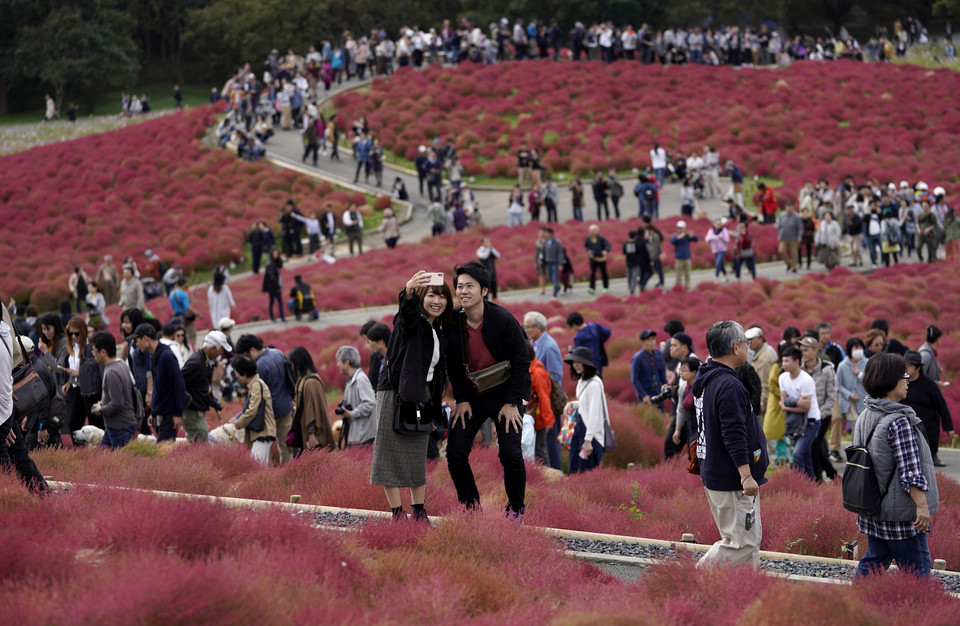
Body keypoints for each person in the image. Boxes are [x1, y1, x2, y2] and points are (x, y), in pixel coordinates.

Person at [446, 261, 531, 516]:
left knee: (511, 453)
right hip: (471, 397)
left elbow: (521, 360)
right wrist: (460, 399)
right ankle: (471, 507)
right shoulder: (453, 322)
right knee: (455, 452)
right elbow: (452, 364)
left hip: (507, 394)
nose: (463, 291)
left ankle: (515, 508)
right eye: (459, 286)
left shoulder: (503, 318)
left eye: (469, 286)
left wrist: (512, 402)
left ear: (484, 290)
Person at [371, 271, 452, 522]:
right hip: (395, 393)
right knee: (389, 454)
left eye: (442, 296)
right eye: (431, 295)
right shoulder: (413, 320)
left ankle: (419, 511)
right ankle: (397, 514)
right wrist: (407, 292)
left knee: (418, 450)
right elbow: (405, 315)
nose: (437, 301)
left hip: (422, 395)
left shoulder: (438, 330)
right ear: (420, 297)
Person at [853, 353, 939, 579]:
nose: (907, 380)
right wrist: (921, 506)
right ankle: (917, 611)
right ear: (890, 382)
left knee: (874, 561)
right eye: (903, 376)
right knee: (917, 572)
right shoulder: (899, 421)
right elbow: (910, 471)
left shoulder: (865, 414)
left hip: (874, 508)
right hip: (901, 515)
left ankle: (854, 604)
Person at [693, 321, 769, 567]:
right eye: (745, 344)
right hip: (731, 478)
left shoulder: (707, 378)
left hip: (717, 472)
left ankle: (746, 594)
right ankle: (691, 579)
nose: (748, 348)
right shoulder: (728, 384)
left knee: (747, 541)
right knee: (741, 543)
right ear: (736, 348)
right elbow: (733, 433)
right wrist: (746, 475)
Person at [0, 312, 46, 494]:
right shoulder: (3, 332)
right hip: (5, 409)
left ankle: (13, 501)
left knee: (8, 465)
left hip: (4, 409)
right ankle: (40, 495)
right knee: (18, 456)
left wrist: (4, 420)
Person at [234, 334, 296, 463]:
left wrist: (240, 416)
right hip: (285, 407)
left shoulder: (259, 367)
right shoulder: (278, 353)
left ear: (252, 350)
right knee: (285, 447)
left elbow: (255, 397)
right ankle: (289, 475)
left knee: (263, 451)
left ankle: (269, 478)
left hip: (269, 414)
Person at [129, 323, 184, 443]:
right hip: (160, 415)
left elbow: (179, 384)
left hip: (169, 417)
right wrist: (153, 412)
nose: (136, 344)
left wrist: (178, 414)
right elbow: (159, 388)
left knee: (164, 456)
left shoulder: (166, 356)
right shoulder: (155, 355)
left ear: (146, 339)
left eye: (137, 340)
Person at [522, 311, 563, 471]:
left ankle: (555, 473)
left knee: (549, 445)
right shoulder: (535, 343)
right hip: (538, 406)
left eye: (527, 327)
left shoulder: (549, 346)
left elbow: (555, 376)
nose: (525, 330)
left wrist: (540, 386)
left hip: (547, 406)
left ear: (537, 327)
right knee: (540, 446)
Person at [902, 351, 954, 468]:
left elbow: (942, 406)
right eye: (905, 365)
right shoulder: (900, 382)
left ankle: (933, 456)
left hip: (927, 425)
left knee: (928, 456)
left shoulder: (929, 385)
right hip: (907, 425)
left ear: (917, 368)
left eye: (909, 366)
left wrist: (949, 428)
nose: (906, 368)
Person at [564, 346, 611, 473]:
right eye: (574, 362)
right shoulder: (582, 380)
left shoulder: (594, 384)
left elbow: (595, 414)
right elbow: (586, 404)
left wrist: (588, 440)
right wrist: (573, 404)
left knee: (586, 472)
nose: (576, 365)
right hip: (580, 427)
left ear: (587, 364)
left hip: (591, 433)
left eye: (579, 362)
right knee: (574, 468)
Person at [89, 332, 138, 449]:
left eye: (94, 351)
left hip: (120, 428)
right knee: (102, 460)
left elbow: (117, 403)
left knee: (120, 463)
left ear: (103, 352)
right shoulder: (121, 363)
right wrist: (103, 402)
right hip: (116, 426)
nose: (93, 354)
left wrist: (101, 409)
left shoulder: (111, 372)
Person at [180, 331, 230, 443]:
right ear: (212, 348)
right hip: (193, 413)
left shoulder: (204, 360)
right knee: (200, 446)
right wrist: (186, 401)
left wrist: (209, 400)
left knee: (199, 444)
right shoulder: (196, 363)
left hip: (197, 412)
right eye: (221, 349)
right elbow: (178, 383)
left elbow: (197, 384)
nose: (221, 353)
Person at [779, 345, 820, 480]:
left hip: (811, 421)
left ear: (796, 362)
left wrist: (787, 406)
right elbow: (783, 402)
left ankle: (799, 483)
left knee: (797, 454)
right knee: (805, 455)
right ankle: (812, 485)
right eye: (783, 360)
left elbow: (806, 408)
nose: (783, 364)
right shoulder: (783, 377)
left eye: (787, 361)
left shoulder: (806, 380)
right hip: (796, 421)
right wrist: (796, 402)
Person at [60, 317, 103, 445]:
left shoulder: (90, 348)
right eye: (70, 333)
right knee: (73, 422)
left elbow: (93, 369)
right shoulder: (73, 348)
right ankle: (80, 452)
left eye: (76, 333)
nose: (73, 336)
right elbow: (75, 368)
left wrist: (78, 373)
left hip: (91, 391)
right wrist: (69, 381)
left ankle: (100, 452)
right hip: (78, 389)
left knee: (95, 425)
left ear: (83, 332)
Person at [229, 355, 277, 465]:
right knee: (263, 468)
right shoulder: (255, 385)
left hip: (263, 433)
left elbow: (253, 410)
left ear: (244, 373)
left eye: (236, 372)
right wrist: (237, 417)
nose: (236, 375)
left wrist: (239, 423)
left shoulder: (256, 385)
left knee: (256, 467)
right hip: (261, 433)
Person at [288, 346, 335, 455]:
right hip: (306, 430)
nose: (292, 367)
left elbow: (312, 411)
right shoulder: (305, 379)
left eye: (293, 364)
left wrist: (312, 433)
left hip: (313, 433)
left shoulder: (311, 382)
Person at [834, 337, 869, 460]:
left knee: (865, 428)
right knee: (856, 427)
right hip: (850, 403)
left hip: (865, 401)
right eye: (856, 348)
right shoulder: (843, 366)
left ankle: (862, 453)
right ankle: (855, 455)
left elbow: (871, 381)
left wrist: (860, 375)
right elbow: (838, 384)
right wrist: (849, 394)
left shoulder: (867, 363)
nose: (858, 350)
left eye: (860, 348)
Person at [335, 345, 377, 447]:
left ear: (347, 362)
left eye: (339, 361)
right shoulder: (351, 379)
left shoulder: (360, 379)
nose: (337, 365)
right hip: (356, 434)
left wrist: (352, 413)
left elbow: (369, 403)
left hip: (362, 436)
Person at [566, 311, 611, 376]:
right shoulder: (595, 326)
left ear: (574, 325)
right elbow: (608, 332)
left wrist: (571, 355)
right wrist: (599, 342)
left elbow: (579, 356)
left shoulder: (578, 338)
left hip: (587, 366)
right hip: (598, 362)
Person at [746, 326, 777, 417]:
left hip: (764, 402)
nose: (749, 343)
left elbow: (764, 382)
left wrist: (763, 402)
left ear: (760, 339)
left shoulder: (763, 359)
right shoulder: (762, 352)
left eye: (751, 340)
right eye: (747, 340)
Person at [631, 329, 666, 406]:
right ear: (643, 342)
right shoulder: (637, 358)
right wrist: (644, 395)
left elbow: (662, 373)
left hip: (658, 393)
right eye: (649, 340)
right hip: (646, 395)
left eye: (653, 339)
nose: (652, 342)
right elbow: (635, 380)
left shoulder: (658, 353)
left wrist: (666, 387)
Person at [670, 220, 699, 290]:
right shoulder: (676, 235)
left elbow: (696, 239)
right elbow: (671, 241)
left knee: (687, 274)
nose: (681, 229)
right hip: (679, 258)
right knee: (678, 274)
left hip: (687, 257)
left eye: (682, 228)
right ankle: (678, 287)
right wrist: (678, 237)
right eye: (679, 228)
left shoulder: (687, 235)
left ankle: (687, 286)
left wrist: (693, 235)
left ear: (685, 228)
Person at [584, 224, 611, 295]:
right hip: (593, 259)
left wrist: (606, 251)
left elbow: (607, 245)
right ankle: (592, 288)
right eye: (593, 230)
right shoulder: (588, 239)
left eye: (595, 230)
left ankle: (605, 287)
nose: (594, 232)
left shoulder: (601, 238)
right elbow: (586, 246)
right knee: (592, 273)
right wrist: (588, 250)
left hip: (601, 259)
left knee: (604, 273)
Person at [623, 229, 652, 296]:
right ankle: (632, 291)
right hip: (636, 263)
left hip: (628, 263)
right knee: (634, 277)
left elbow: (624, 252)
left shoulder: (625, 244)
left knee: (629, 277)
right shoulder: (637, 244)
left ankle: (630, 288)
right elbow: (640, 252)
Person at [777, 202, 803, 273]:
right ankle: (790, 264)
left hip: (793, 238)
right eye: (788, 208)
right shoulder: (782, 215)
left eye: (791, 208)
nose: (789, 209)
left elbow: (800, 228)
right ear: (785, 208)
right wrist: (779, 235)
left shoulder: (796, 217)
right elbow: (779, 226)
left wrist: (799, 236)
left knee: (794, 253)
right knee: (781, 251)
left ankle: (794, 268)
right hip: (784, 238)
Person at [704, 218, 731, 284]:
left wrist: (722, 239)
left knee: (718, 263)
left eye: (719, 224)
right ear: (714, 224)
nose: (718, 225)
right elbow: (706, 239)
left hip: (722, 249)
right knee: (720, 264)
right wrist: (711, 238)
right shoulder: (711, 231)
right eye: (717, 224)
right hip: (715, 250)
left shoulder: (724, 230)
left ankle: (716, 277)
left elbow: (728, 240)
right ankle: (725, 275)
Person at [262, 248, 285, 322]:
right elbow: (272, 276)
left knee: (272, 301)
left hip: (272, 286)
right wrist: (277, 286)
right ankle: (282, 318)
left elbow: (280, 266)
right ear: (271, 255)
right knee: (279, 301)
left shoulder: (274, 262)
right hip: (274, 286)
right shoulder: (271, 264)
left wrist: (280, 259)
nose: (276, 255)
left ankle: (272, 317)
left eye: (277, 254)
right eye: (274, 254)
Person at [540, 228, 564, 298]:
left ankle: (554, 293)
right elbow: (543, 251)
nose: (545, 235)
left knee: (554, 278)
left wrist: (560, 264)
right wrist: (542, 259)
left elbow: (560, 254)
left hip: (555, 263)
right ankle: (558, 287)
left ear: (551, 234)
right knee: (550, 277)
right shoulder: (546, 242)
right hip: (548, 263)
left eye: (547, 233)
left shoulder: (557, 242)